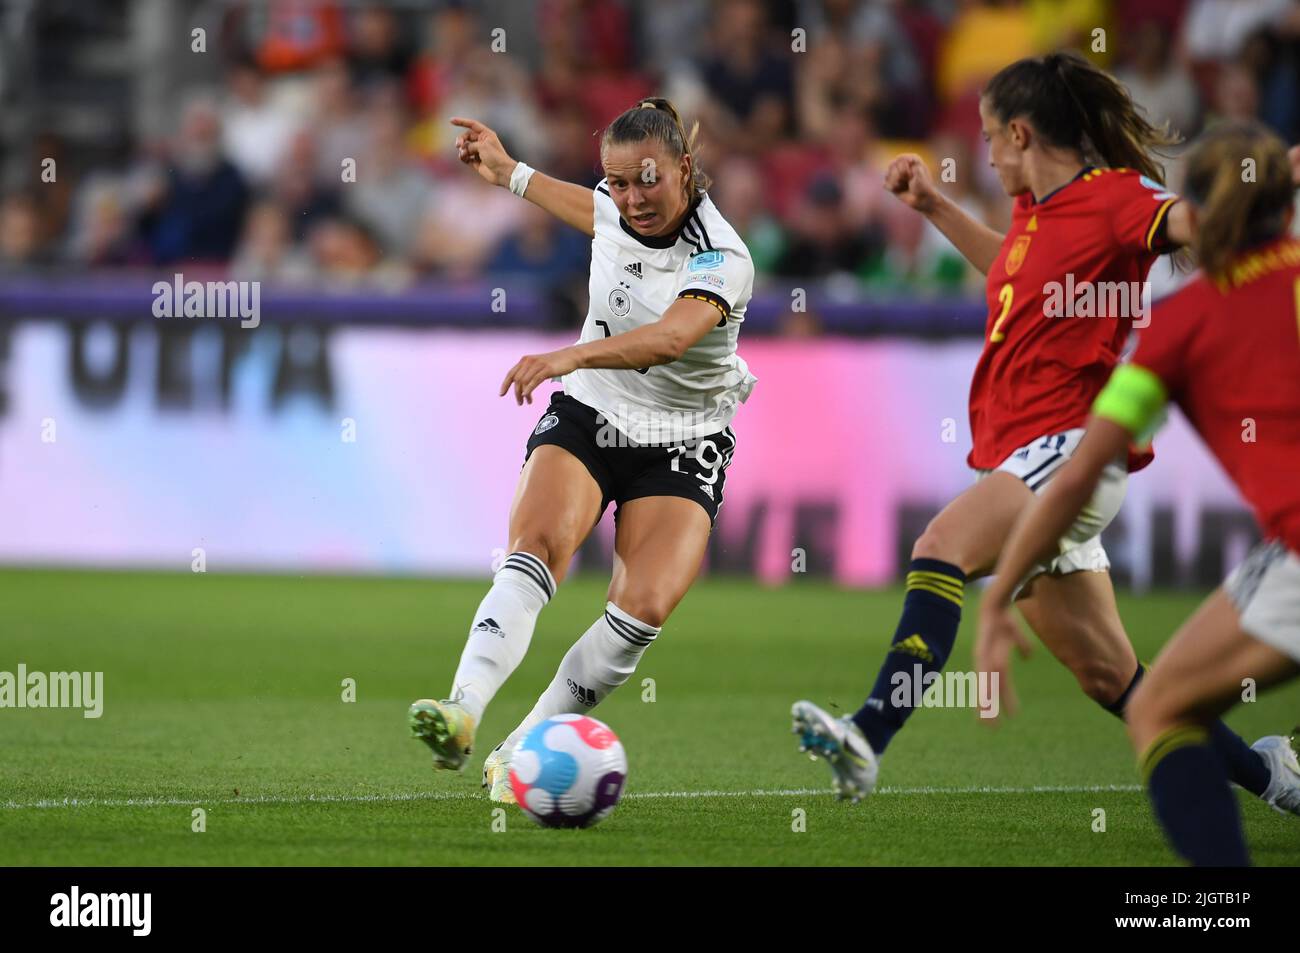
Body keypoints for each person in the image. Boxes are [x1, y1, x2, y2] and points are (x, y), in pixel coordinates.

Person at [791, 52, 1276, 811]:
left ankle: (868, 735)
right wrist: (934, 207)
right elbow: (1012, 276)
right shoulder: (1033, 214)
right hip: (1021, 456)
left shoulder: (1117, 200)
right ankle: (1277, 779)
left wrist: (1268, 180)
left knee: (939, 549)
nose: (984, 154)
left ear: (1020, 133)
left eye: (989, 137)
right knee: (1117, 682)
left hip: (1072, 449)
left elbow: (1188, 221)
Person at [408, 99, 757, 803]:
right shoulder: (614, 204)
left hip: (682, 438)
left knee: (643, 609)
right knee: (537, 543)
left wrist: (569, 355)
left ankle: (520, 752)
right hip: (595, 409)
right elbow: (590, 210)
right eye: (618, 183)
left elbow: (669, 340)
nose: (630, 200)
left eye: (647, 181)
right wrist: (508, 172)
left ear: (685, 168)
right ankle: (462, 709)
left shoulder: (724, 256)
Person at [977, 123, 1300, 864]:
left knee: (1160, 706)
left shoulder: (1180, 326)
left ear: (1198, 212)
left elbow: (1076, 476)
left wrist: (996, 598)